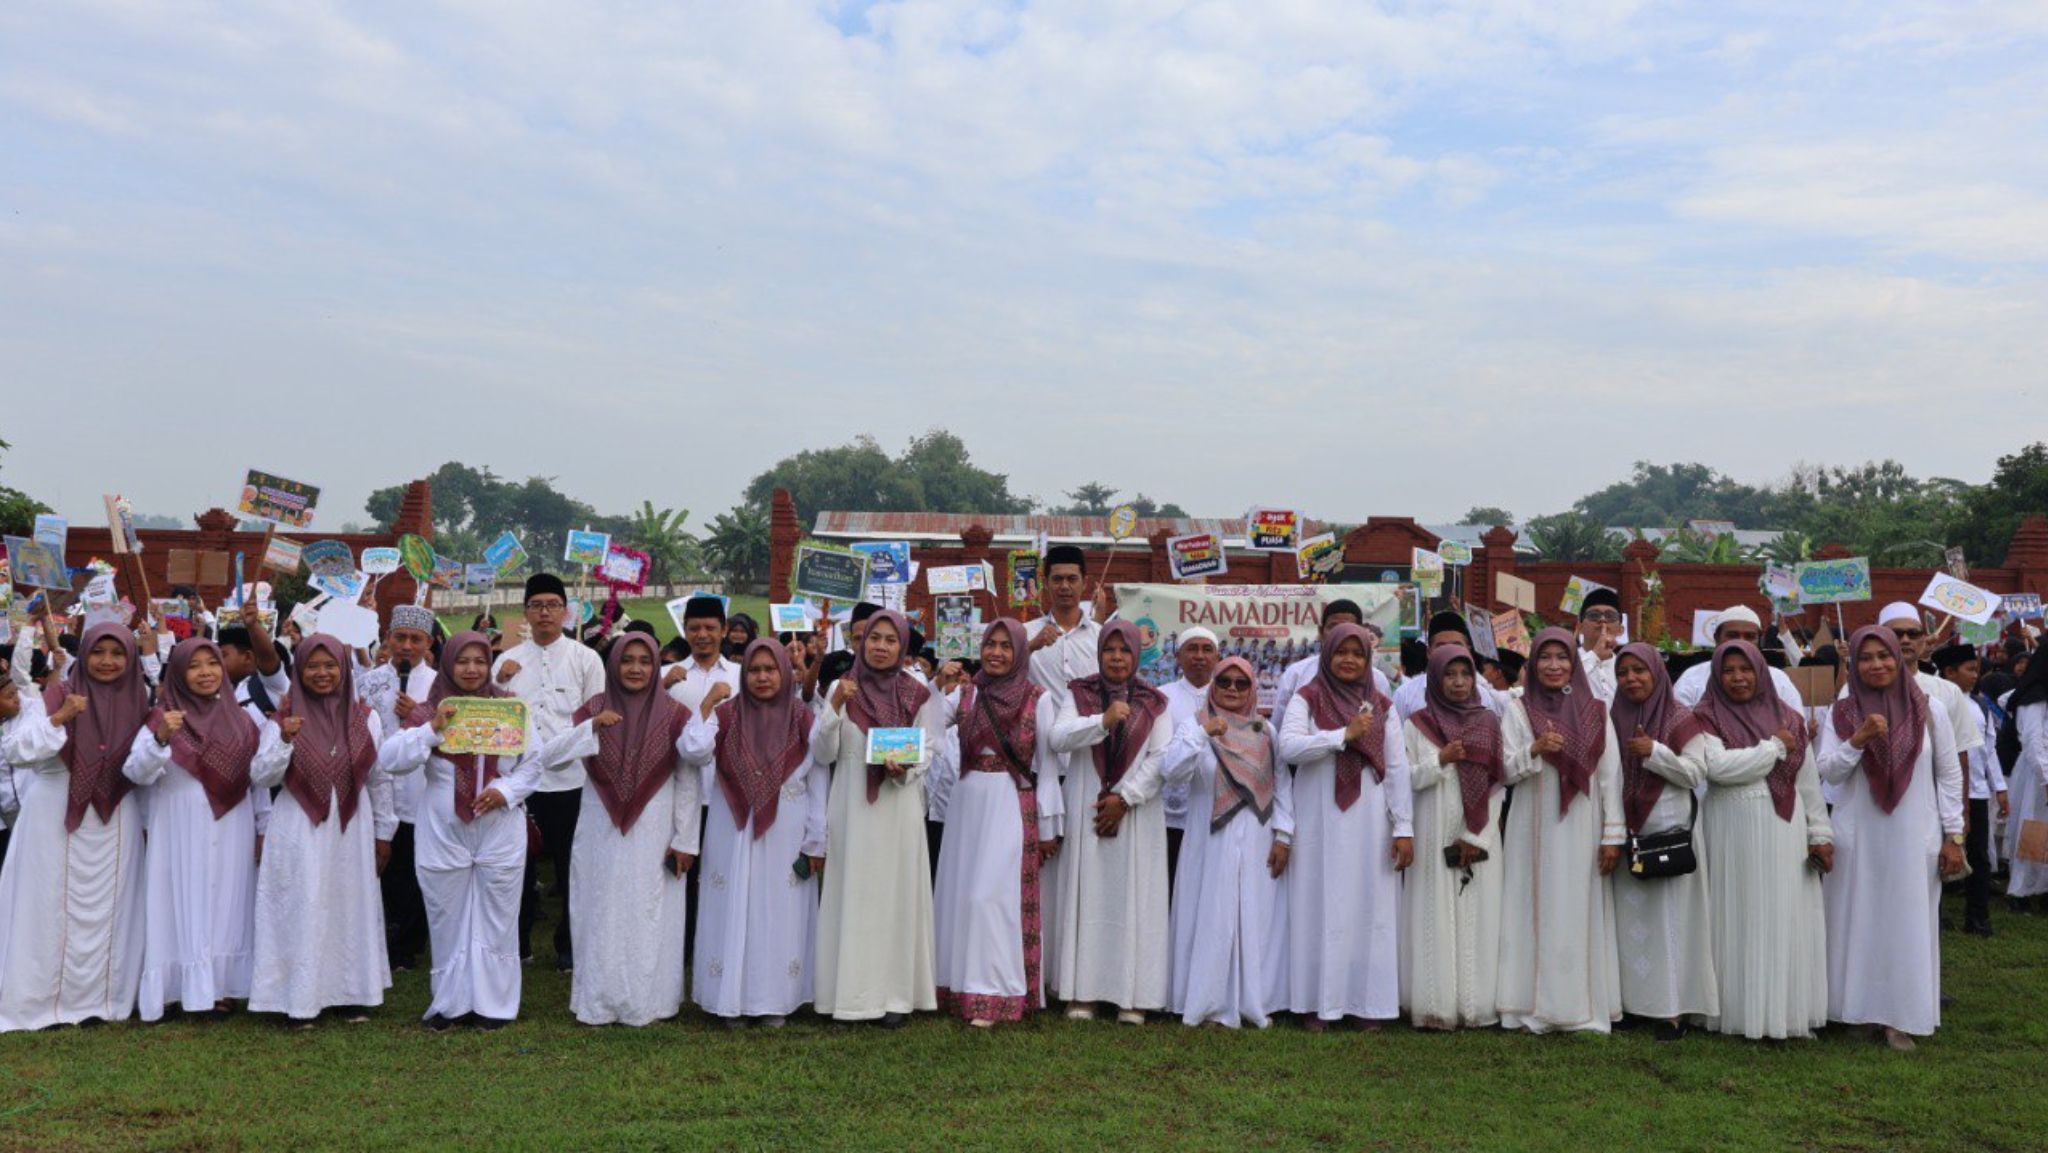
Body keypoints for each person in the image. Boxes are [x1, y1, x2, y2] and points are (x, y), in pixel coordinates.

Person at [381, 631, 543, 1029]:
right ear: (448, 663)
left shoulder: (510, 710)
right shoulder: (429, 710)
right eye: (462, 661)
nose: (471, 669)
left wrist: (504, 791)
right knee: (446, 915)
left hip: (500, 825)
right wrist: (431, 730)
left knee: (498, 915)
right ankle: (450, 1004)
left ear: (489, 664)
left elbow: (534, 763)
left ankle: (494, 1006)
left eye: (480, 661)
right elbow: (390, 759)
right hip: (443, 827)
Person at [538, 633, 700, 1026]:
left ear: (655, 665)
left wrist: (685, 840)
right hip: (600, 826)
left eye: (645, 661)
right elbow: (551, 759)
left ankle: (651, 1002)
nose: (636, 668)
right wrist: (590, 727)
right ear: (613, 665)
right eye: (627, 660)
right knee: (600, 909)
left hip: (656, 828)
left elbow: (688, 781)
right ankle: (600, 1001)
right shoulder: (593, 708)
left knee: (651, 913)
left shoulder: (675, 714)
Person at [123, 637, 285, 1022]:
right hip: (179, 825)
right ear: (178, 673)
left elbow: (257, 780)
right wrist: (162, 737)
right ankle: (178, 988)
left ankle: (221, 988)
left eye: (211, 663)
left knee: (228, 902)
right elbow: (135, 773)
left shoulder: (245, 720)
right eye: (193, 666)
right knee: (178, 899)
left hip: (234, 822)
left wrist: (263, 827)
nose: (205, 673)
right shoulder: (161, 717)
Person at [1817, 626, 1963, 1051]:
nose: (1876, 664)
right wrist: (1858, 740)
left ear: (1898, 659)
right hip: (1858, 833)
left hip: (1914, 831)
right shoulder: (1841, 711)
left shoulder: (1929, 708)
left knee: (1907, 920)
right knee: (1855, 917)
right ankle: (1855, 1010)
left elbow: (1949, 774)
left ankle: (1901, 1016)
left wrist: (1954, 835)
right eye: (1866, 657)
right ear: (1853, 663)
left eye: (1884, 656)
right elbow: (1828, 770)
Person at [0, 623, 152, 1032]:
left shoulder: (140, 700)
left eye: (117, 653)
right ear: (84, 654)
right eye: (98, 652)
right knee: (46, 905)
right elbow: (16, 750)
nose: (107, 661)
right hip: (54, 813)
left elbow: (144, 765)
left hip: (114, 815)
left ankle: (101, 1000)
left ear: (129, 658)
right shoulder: (57, 694)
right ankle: (41, 1003)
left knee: (110, 908)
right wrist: (59, 719)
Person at [249, 634, 401, 1025]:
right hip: (299, 825)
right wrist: (285, 739)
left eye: (330, 665)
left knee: (349, 903)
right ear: (299, 671)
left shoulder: (365, 717)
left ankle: (350, 993)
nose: (322, 673)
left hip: (353, 823)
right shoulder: (283, 718)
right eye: (312, 666)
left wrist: (384, 831)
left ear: (343, 669)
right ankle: (297, 998)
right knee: (303, 902)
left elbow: (380, 778)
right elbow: (262, 776)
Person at [679, 638, 827, 1027]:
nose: (762, 677)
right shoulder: (727, 714)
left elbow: (818, 781)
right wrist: (708, 704)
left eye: (770, 669)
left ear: (784, 672)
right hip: (733, 826)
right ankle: (730, 999)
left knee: (778, 912)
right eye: (754, 670)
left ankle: (774, 1001)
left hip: (788, 828)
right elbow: (693, 751)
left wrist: (816, 840)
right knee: (733, 907)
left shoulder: (801, 717)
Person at [1693, 639, 1831, 1040]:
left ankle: (1779, 1012)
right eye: (1728, 671)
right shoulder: (1705, 715)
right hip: (1728, 828)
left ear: (1760, 672)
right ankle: (1734, 1012)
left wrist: (1820, 832)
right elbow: (1717, 767)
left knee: (1779, 913)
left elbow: (1807, 783)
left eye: (1746, 669)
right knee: (1734, 913)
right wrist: (1772, 748)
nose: (1738, 678)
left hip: (1782, 828)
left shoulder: (1789, 717)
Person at [811, 609, 943, 1024]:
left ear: (903, 647)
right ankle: (848, 995)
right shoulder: (840, 686)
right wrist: (833, 707)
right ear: (860, 642)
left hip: (897, 806)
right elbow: (822, 752)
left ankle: (894, 997)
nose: (881, 646)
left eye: (890, 639)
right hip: (852, 802)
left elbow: (928, 748)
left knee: (895, 896)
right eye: (873, 638)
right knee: (854, 892)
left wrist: (905, 768)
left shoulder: (917, 692)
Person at [1277, 622, 1411, 1030]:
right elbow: (1288, 747)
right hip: (1318, 817)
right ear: (1327, 655)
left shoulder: (1382, 706)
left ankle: (1365, 1003)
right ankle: (1317, 1003)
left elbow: (1397, 768)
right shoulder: (1308, 697)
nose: (1349, 660)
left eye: (1357, 653)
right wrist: (1342, 735)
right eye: (1341, 652)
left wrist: (1403, 826)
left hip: (1369, 821)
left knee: (1367, 905)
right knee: (1317, 902)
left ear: (1368, 659)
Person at [931, 619, 1063, 1027]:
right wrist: (939, 685)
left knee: (991, 897)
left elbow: (1047, 763)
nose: (997, 653)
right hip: (968, 804)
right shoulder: (967, 695)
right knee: (960, 892)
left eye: (1007, 646)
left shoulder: (1036, 699)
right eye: (991, 645)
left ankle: (995, 992)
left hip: (1010, 802)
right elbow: (929, 724)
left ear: (1021, 652)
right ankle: (956, 986)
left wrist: (1046, 826)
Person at [1497, 627, 1624, 1035]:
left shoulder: (1596, 711)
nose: (1554, 666)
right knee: (1529, 902)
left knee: (1575, 904)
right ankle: (1526, 1005)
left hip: (1581, 823)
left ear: (1574, 663)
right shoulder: (1517, 710)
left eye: (1562, 658)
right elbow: (1504, 770)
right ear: (1533, 663)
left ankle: (1576, 1005)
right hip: (1531, 822)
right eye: (1545, 658)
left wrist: (1612, 836)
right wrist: (1534, 751)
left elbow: (1610, 778)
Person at [1047, 620, 1175, 1024]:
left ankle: (1132, 996)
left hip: (1136, 813)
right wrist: (1101, 721)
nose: (1116, 658)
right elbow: (1058, 737)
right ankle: (1081, 992)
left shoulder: (1155, 701)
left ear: (1136, 654)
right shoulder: (1080, 693)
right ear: (1099, 653)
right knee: (1088, 895)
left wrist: (1125, 797)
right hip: (1087, 804)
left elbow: (1161, 759)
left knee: (1133, 899)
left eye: (1124, 650)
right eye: (1109, 650)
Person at [1166, 656, 1292, 1028]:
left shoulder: (1266, 731)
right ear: (1213, 687)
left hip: (1257, 837)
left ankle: (1254, 1000)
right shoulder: (1195, 725)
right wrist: (1204, 734)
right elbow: (1172, 772)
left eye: (1241, 683)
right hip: (1208, 838)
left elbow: (1283, 786)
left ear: (1252, 688)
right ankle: (1205, 1002)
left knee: (1252, 917)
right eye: (1224, 683)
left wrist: (1284, 835)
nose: (1233, 690)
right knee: (1210, 914)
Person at [495, 573, 608, 972]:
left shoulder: (585, 658)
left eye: (552, 605)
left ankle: (568, 947)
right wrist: (501, 681)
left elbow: (597, 718)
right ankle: (519, 942)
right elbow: (496, 723)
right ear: (525, 611)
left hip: (570, 781)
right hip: (520, 783)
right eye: (537, 605)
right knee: (516, 867)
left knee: (570, 867)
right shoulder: (507, 662)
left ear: (566, 611)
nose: (544, 612)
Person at [1607, 642, 1717, 1039]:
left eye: (1640, 670)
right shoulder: (1614, 715)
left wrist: (1654, 752)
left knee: (1671, 921)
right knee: (1633, 920)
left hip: (1669, 830)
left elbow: (1695, 772)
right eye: (1623, 672)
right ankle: (1638, 1005)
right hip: (1628, 829)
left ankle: (1672, 1010)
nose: (1631, 679)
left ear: (1657, 672)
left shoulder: (1680, 717)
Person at [1401, 645, 1505, 1031]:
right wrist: (1439, 760)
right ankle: (1434, 1006)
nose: (1459, 682)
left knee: (1476, 915)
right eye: (1450, 674)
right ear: (1434, 678)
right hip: (1430, 830)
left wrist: (1474, 835)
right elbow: (1404, 780)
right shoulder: (1416, 724)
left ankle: (1475, 1007)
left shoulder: (1488, 722)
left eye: (1466, 674)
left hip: (1478, 833)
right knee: (1434, 913)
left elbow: (1499, 783)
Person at [663, 595, 741, 962]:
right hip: (683, 789)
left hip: (728, 792)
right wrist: (661, 687)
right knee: (683, 871)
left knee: (723, 871)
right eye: (695, 627)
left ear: (724, 631)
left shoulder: (741, 676)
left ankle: (722, 941)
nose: (703, 635)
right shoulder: (672, 677)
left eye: (711, 627)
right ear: (686, 630)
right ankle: (686, 946)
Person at [365, 603, 438, 974]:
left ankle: (409, 946)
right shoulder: (369, 681)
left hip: (419, 792)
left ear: (428, 643)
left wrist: (421, 712)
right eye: (400, 637)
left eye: (416, 639)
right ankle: (380, 937)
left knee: (412, 871)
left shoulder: (439, 684)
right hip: (377, 788)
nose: (407, 646)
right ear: (388, 638)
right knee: (381, 869)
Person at [1935, 643, 2005, 936]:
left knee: (1979, 857)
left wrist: (1999, 787)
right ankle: (1934, 916)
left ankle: (1977, 917)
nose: (1975, 675)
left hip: (1976, 792)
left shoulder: (1979, 705)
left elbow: (1988, 750)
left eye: (1976, 669)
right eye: (1970, 669)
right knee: (1937, 854)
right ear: (1950, 672)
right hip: (1945, 792)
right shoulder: (1936, 700)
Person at [1156, 626, 1220, 884]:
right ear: (1178, 656)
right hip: (1168, 817)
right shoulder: (1162, 697)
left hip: (1213, 814)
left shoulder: (1229, 695)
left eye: (1207, 649)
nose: (1199, 656)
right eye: (1192, 649)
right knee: (1169, 885)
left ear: (1217, 657)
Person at [1275, 601, 1393, 733]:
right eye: (1333, 626)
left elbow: (1387, 731)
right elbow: (1280, 730)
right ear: (1321, 631)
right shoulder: (1296, 674)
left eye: (1348, 626)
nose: (1340, 632)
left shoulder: (1377, 679)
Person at [1024, 545, 1112, 702]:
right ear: (1045, 583)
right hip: (1041, 727)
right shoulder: (1027, 634)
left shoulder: (1101, 636)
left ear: (1084, 583)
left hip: (1090, 726)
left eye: (1072, 579)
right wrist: (1031, 646)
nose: (1064, 586)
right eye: (1057, 579)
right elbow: (1004, 674)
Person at [1673, 606, 1801, 708]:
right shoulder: (1692, 678)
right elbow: (1678, 729)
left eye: (1749, 637)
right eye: (1733, 635)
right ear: (1717, 638)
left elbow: (1797, 728)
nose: (1741, 642)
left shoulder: (1779, 679)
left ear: (1759, 641)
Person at [2003, 653, 2048, 912]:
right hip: (2037, 774)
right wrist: (2045, 778)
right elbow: (2032, 742)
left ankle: (2042, 889)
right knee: (2033, 831)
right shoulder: (2034, 696)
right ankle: (2021, 891)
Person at [1575, 587, 1625, 703]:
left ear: (1621, 630)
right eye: (1594, 615)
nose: (1602, 620)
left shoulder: (1626, 666)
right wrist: (1595, 655)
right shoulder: (1566, 660)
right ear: (1579, 627)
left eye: (1610, 616)